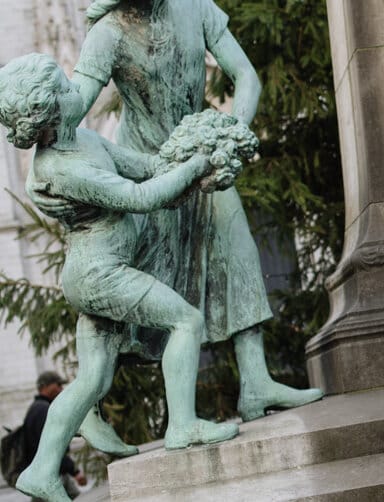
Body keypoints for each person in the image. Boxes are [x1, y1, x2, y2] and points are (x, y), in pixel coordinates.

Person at [57, 0, 323, 452]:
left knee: (238, 249)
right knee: (134, 281)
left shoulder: (195, 6)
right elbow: (74, 108)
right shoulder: (109, 33)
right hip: (147, 169)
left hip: (201, 157)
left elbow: (246, 76)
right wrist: (44, 119)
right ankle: (88, 405)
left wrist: (230, 135)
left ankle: (256, 381)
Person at [0, 53, 238, 502]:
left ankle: (42, 470)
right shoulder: (60, 169)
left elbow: (144, 169)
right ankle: (183, 425)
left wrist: (183, 151)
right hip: (98, 274)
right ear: (48, 109)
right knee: (185, 321)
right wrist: (195, 166)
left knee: (93, 378)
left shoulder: (85, 140)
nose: (76, 88)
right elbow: (140, 197)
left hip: (96, 271)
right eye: (64, 88)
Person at [17, 372, 87, 501]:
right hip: (48, 478)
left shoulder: (37, 408)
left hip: (50, 475)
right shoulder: (43, 410)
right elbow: (52, 448)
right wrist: (75, 471)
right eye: (58, 385)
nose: (61, 389)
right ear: (44, 387)